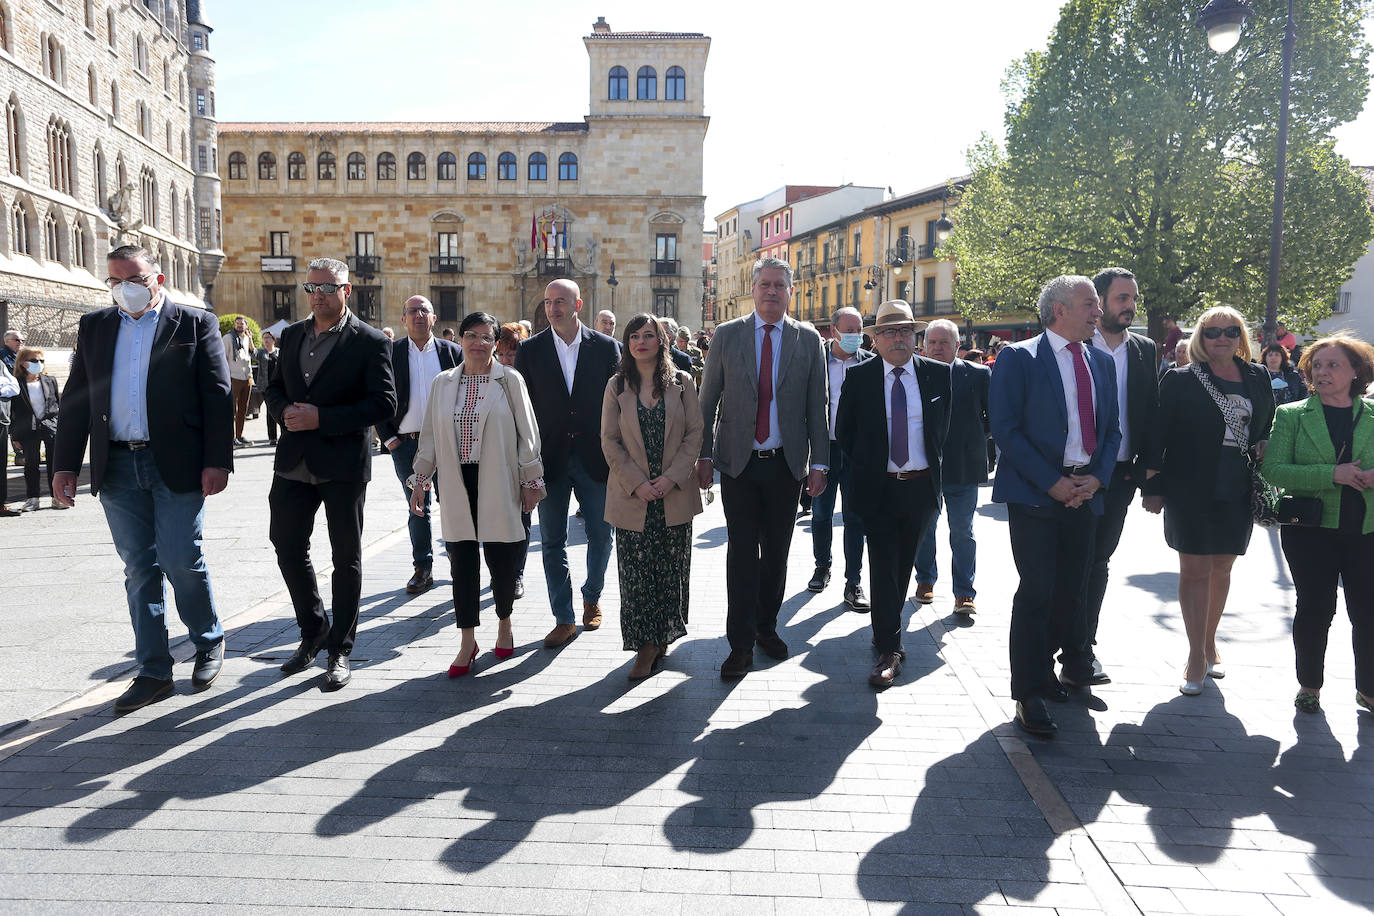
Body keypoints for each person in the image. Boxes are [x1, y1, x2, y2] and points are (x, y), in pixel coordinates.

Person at [53, 244, 234, 712]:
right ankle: (153, 670)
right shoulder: (96, 326)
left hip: (176, 463)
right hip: (117, 465)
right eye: (114, 281)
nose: (124, 289)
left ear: (159, 278)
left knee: (179, 558)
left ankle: (207, 640)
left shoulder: (193, 324)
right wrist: (66, 465)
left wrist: (219, 459)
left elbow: (217, 396)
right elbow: (76, 398)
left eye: (133, 279)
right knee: (139, 569)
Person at [990, 275, 1120, 737]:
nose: (1098, 313)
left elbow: (1112, 433)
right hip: (1035, 496)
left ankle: (1046, 672)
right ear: (1059, 309)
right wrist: (1052, 484)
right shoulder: (1019, 357)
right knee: (1037, 590)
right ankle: (1027, 692)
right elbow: (1006, 430)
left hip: (1085, 495)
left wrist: (1097, 478)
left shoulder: (1101, 362)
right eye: (1090, 304)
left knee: (1071, 591)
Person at [267, 257, 396, 691]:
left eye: (327, 287)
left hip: (341, 463)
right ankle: (313, 629)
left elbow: (383, 405)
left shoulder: (371, 341)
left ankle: (341, 648)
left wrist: (322, 418)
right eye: (312, 287)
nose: (318, 294)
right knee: (285, 543)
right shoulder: (291, 336)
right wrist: (285, 411)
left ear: (347, 291)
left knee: (347, 557)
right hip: (293, 462)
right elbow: (274, 389)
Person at [697, 257, 829, 680]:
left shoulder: (807, 340)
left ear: (791, 290)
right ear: (752, 290)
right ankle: (740, 644)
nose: (771, 291)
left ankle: (766, 627)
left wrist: (819, 462)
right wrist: (702, 455)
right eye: (765, 284)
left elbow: (817, 406)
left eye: (779, 285)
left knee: (776, 554)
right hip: (739, 464)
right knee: (741, 555)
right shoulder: (728, 335)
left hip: (786, 466)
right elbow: (708, 399)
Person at [1143, 306, 1274, 696]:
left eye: (1231, 331)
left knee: (1222, 567)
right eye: (1213, 331)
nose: (1222, 337)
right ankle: (1196, 655)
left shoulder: (1257, 375)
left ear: (1241, 337)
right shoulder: (1182, 379)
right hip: (1190, 484)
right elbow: (1157, 433)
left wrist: (1265, 442)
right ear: (1201, 336)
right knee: (1195, 569)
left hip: (1237, 485)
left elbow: (1266, 424)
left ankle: (1209, 641)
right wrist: (1152, 485)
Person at [411, 312, 543, 677]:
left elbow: (527, 434)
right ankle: (467, 640)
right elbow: (430, 437)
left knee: (502, 560)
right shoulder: (443, 382)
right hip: (456, 481)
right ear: (461, 339)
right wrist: (421, 479)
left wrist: (531, 482)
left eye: (487, 337)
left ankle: (504, 622)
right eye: (471, 335)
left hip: (499, 479)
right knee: (462, 562)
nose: (478, 343)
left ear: (496, 342)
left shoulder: (509, 380)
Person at [836, 301, 950, 688]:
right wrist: (873, 468)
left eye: (905, 331)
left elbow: (942, 431)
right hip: (879, 488)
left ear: (915, 336)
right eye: (889, 332)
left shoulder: (937, 375)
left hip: (920, 488)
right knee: (883, 566)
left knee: (902, 567)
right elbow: (846, 433)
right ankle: (890, 646)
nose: (898, 338)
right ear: (876, 339)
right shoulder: (860, 377)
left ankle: (885, 629)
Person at [1260, 334, 1374, 715]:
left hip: (1367, 530)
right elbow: (1273, 469)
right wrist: (1333, 474)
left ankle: (1369, 690)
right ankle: (1309, 686)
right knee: (1315, 608)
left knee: (1368, 611)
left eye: (1332, 365)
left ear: (1356, 371)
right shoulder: (1291, 414)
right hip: (1311, 530)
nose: (1322, 372)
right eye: (1316, 366)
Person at [1063, 268, 1160, 686]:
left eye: (1133, 298)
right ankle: (1061, 643)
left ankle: (1082, 649)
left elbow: (1152, 413)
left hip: (1119, 476)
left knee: (1098, 562)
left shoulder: (1144, 349)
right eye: (1121, 298)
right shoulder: (1073, 344)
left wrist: (1151, 477)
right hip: (1073, 474)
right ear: (1099, 302)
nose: (1130, 306)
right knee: (1069, 561)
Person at [514, 278, 621, 649]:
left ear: (578, 305)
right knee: (552, 541)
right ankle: (564, 617)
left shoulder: (608, 348)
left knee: (602, 536)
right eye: (548, 302)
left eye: (561, 301)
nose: (553, 308)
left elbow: (620, 405)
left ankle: (592, 595)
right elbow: (522, 409)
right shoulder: (530, 351)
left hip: (597, 459)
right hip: (550, 460)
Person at [601, 314, 704, 679]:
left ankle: (661, 636)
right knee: (637, 574)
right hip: (634, 498)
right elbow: (609, 441)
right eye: (634, 336)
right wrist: (638, 483)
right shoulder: (617, 386)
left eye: (649, 335)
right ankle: (645, 644)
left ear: (661, 340)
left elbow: (695, 433)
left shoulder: (682, 383)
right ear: (627, 343)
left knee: (670, 571)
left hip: (673, 495)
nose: (641, 341)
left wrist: (671, 478)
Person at [376, 295, 461, 595]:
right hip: (407, 445)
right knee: (417, 506)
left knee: (453, 504)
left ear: (434, 318)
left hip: (448, 444)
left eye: (424, 310)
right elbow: (377, 394)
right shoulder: (390, 351)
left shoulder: (452, 352)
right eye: (412, 311)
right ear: (403, 319)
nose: (418, 315)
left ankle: (457, 560)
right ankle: (422, 567)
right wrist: (389, 438)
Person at [914, 318, 990, 616]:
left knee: (962, 532)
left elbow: (990, 418)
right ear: (923, 345)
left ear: (957, 346)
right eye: (932, 342)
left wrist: (970, 441)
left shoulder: (978, 375)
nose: (937, 348)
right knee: (924, 529)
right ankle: (925, 581)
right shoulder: (915, 375)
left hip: (963, 468)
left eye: (944, 342)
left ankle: (964, 593)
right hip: (925, 468)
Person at [808, 307, 873, 609]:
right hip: (825, 450)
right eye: (848, 331)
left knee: (855, 518)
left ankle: (854, 581)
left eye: (858, 330)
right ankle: (822, 567)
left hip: (858, 453)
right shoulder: (816, 361)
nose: (854, 337)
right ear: (833, 331)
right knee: (821, 514)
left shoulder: (871, 364)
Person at [496, 321, 533, 598]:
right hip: (494, 460)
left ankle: (517, 574)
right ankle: (500, 571)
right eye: (504, 354)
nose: (509, 359)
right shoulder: (487, 376)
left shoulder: (530, 380)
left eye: (513, 354)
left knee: (522, 518)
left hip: (522, 460)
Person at [11, 347, 61, 510]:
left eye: (41, 360)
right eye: (34, 361)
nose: (38, 364)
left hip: (50, 427)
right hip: (28, 429)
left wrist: (59, 426)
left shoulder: (50, 380)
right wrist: (15, 436)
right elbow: (13, 412)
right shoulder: (16, 383)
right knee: (31, 464)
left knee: (54, 464)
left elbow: (57, 406)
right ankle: (33, 498)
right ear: (23, 363)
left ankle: (57, 497)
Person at [222, 316, 255, 447]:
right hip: (233, 377)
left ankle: (239, 436)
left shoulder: (247, 338)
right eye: (237, 323)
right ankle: (230, 438)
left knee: (243, 409)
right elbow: (223, 358)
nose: (239, 326)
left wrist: (251, 338)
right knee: (232, 410)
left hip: (247, 377)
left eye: (242, 324)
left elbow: (252, 354)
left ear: (246, 326)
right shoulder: (228, 338)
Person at [0, 357, 19, 516]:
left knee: (1, 464)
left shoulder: (0, 364)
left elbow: (14, 387)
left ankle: (1, 504)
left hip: (2, 421)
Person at [254, 332, 281, 445]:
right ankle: (272, 438)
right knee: (270, 411)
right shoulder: (261, 352)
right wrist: (250, 338)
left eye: (268, 338)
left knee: (280, 410)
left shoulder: (279, 352)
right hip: (266, 387)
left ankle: (284, 434)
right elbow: (253, 354)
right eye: (264, 338)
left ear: (273, 340)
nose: (266, 340)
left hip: (279, 385)